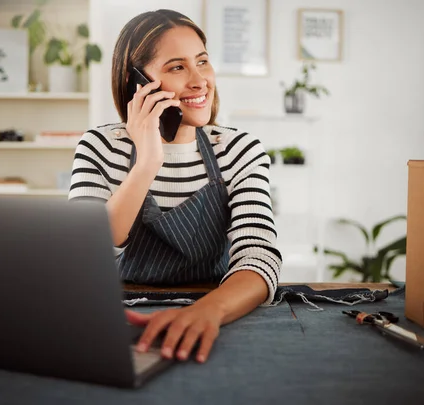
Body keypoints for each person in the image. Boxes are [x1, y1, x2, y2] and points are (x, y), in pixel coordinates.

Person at [68, 9, 281, 364]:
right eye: (177, 67)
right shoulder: (99, 146)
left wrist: (207, 311)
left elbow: (259, 259)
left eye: (202, 62)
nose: (200, 81)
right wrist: (147, 163)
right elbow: (83, 257)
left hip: (215, 316)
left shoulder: (240, 150)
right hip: (122, 324)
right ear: (137, 81)